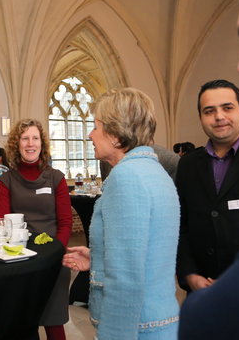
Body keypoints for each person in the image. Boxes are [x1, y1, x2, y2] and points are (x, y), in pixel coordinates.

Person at [62, 88, 180, 340]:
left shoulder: (126, 177)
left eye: (96, 126)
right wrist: (99, 258)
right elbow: (145, 251)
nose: (90, 134)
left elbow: (126, 279)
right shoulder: (154, 171)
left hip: (137, 328)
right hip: (159, 320)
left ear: (115, 134)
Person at [0, 120, 72, 340]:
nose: (30, 144)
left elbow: (65, 223)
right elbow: (2, 222)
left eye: (35, 138)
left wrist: (55, 252)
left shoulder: (56, 178)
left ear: (42, 143)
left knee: (54, 322)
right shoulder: (6, 180)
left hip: (54, 259)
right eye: (25, 138)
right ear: (16, 144)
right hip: (20, 259)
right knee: (22, 324)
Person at [175, 79, 239, 292]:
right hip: (201, 293)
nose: (219, 117)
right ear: (201, 117)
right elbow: (182, 227)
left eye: (227, 108)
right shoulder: (188, 165)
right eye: (209, 111)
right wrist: (190, 275)